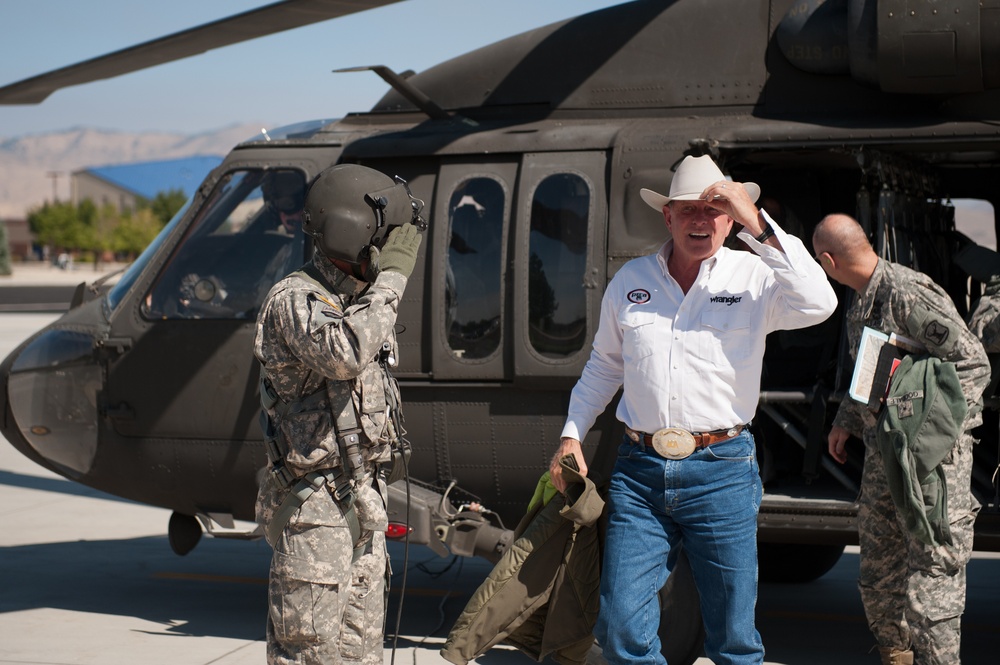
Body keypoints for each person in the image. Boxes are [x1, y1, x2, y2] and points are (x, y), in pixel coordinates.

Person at [549, 154, 837, 665]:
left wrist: (758, 223)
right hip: (639, 473)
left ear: (731, 218)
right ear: (668, 217)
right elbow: (603, 366)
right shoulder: (630, 283)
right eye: (688, 210)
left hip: (722, 470)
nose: (700, 220)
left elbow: (819, 303)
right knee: (620, 629)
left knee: (733, 637)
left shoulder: (755, 277)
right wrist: (572, 434)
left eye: (715, 209)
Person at [254, 163, 424, 665]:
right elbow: (345, 352)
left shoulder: (357, 303)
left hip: (362, 500)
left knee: (360, 655)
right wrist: (392, 278)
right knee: (309, 654)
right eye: (384, 239)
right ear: (351, 235)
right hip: (314, 512)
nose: (391, 251)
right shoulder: (296, 300)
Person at [812, 213, 989, 665]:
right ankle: (897, 656)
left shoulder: (907, 292)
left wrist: (934, 438)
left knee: (932, 581)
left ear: (828, 260)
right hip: (885, 451)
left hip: (931, 458)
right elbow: (877, 365)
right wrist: (847, 419)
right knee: (878, 570)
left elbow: (972, 363)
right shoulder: (864, 297)